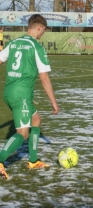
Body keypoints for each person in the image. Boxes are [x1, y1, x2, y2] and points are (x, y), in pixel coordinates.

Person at [0, 14, 59, 179]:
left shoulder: (13, 43)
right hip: (22, 96)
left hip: (9, 92)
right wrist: (54, 102)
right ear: (39, 27)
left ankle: (33, 160)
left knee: (36, 120)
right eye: (43, 31)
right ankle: (0, 159)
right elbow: (44, 78)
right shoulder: (37, 48)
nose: (43, 34)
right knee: (23, 134)